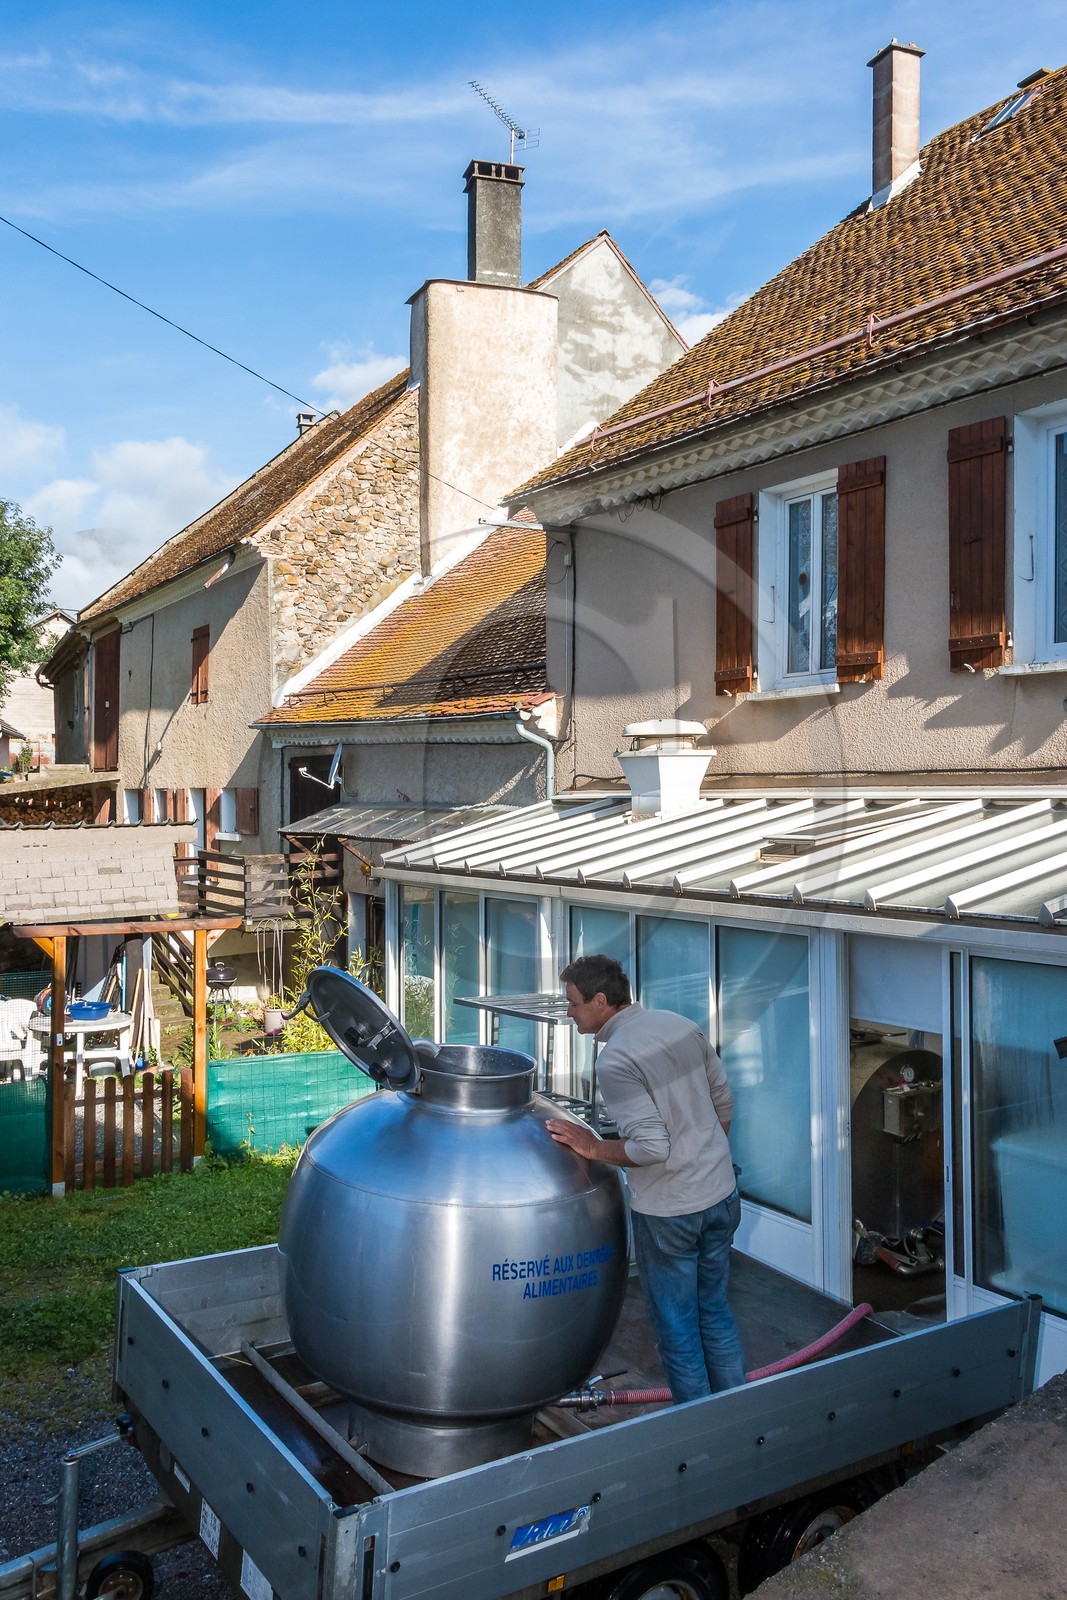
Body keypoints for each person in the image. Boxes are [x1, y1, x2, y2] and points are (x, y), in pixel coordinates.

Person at [547, 953, 745, 1402]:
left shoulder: (616, 1060)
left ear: (601, 1001)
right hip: (721, 1195)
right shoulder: (679, 1025)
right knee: (713, 1310)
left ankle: (699, 1441)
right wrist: (703, 1158)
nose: (569, 1013)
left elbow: (651, 1148)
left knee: (678, 1330)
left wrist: (593, 1147)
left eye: (574, 1003)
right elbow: (724, 1105)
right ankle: (736, 1420)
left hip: (671, 1214)